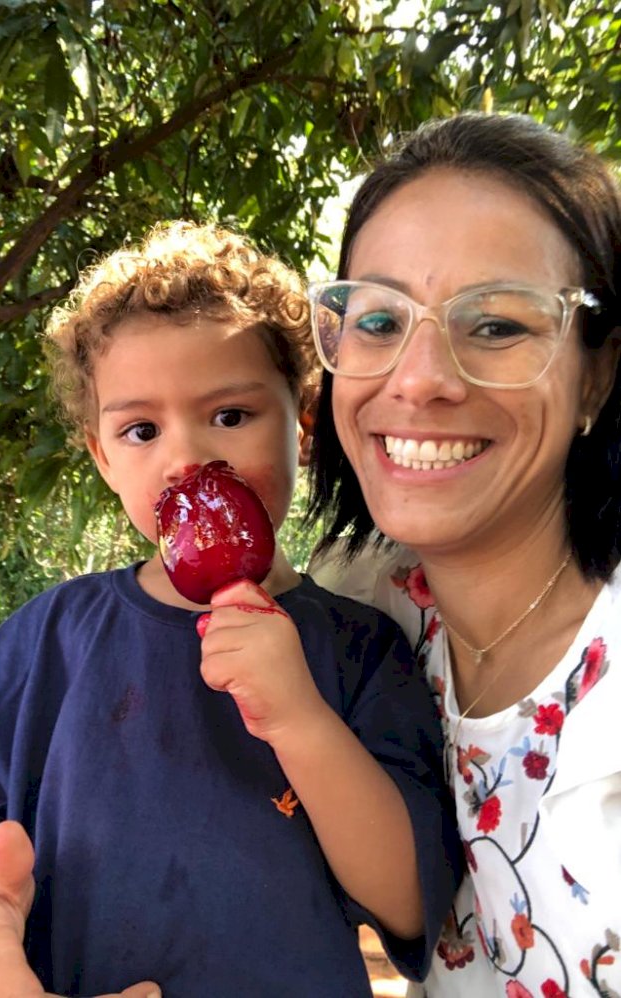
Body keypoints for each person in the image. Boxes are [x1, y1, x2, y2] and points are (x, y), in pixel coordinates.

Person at [0, 222, 461, 997]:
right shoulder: (52, 643)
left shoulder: (359, 647)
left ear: (304, 427)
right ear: (100, 455)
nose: (186, 456)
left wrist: (298, 718)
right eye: (141, 429)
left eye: (230, 415)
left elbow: (410, 902)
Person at [307, 111, 621, 995]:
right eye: (376, 319)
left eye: (495, 326)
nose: (417, 378)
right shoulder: (354, 617)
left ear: (598, 371)